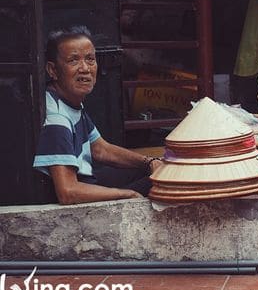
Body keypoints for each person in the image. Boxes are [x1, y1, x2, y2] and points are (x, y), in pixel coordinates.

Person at [33, 26, 163, 204]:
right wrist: (127, 194)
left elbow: (100, 149)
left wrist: (149, 162)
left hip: (88, 180)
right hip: (79, 195)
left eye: (90, 59)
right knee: (164, 181)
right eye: (73, 61)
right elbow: (68, 192)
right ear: (53, 70)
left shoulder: (70, 101)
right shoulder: (57, 119)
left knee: (155, 169)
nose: (85, 68)